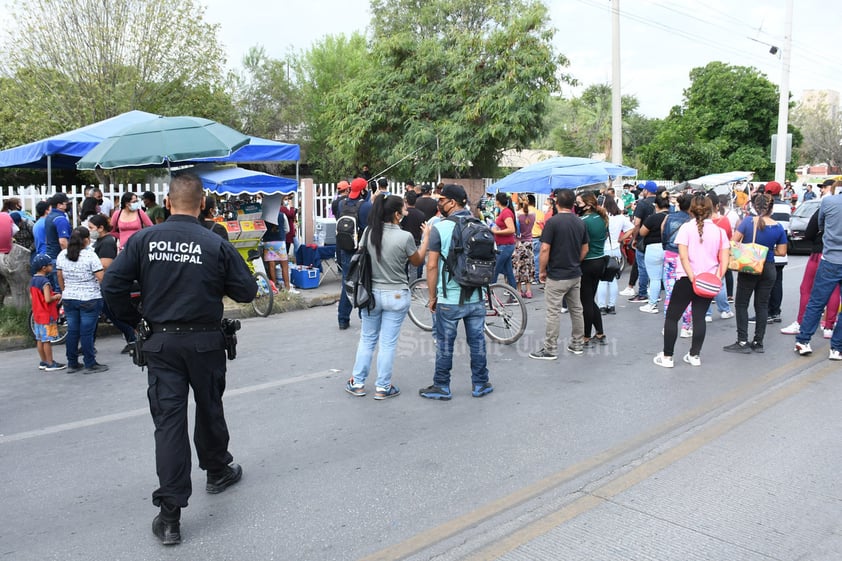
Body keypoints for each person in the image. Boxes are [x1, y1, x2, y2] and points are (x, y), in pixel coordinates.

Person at [101, 171, 257, 546]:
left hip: (161, 344)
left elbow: (111, 285)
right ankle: (217, 470)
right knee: (209, 407)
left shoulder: (143, 239)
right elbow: (247, 290)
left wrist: (134, 322)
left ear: (167, 203)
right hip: (205, 341)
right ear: (203, 203)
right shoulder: (213, 240)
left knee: (169, 424)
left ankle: (170, 516)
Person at [345, 195, 430, 399]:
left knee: (367, 339)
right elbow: (417, 261)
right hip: (397, 295)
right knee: (388, 343)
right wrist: (426, 238)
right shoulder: (405, 237)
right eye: (404, 209)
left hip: (371, 294)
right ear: (396, 214)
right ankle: (383, 387)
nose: (407, 212)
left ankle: (357, 382)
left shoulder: (369, 232)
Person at [420, 184, 493, 399]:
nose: (438, 203)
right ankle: (480, 384)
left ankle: (442, 386)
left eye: (442, 200)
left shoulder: (439, 229)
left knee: (445, 344)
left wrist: (432, 297)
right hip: (477, 296)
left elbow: (431, 266)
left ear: (452, 202)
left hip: (449, 299)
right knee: (477, 342)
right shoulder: (480, 224)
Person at [654, 193, 729, 368]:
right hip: (708, 281)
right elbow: (724, 260)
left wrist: (693, 277)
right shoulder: (719, 232)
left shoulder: (686, 229)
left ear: (691, 210)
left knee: (672, 317)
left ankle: (667, 357)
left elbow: (683, 257)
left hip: (687, 278)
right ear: (711, 209)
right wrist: (716, 278)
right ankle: (694, 355)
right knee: (699, 317)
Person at [723, 193, 787, 354]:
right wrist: (766, 250)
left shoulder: (747, 222)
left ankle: (742, 341)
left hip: (750, 267)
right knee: (762, 305)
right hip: (769, 267)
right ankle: (758, 342)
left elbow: (734, 242)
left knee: (742, 304)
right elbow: (782, 251)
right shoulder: (778, 227)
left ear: (755, 206)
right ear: (771, 208)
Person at [529, 188, 588, 360]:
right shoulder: (580, 222)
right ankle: (577, 344)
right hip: (574, 273)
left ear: (557, 203)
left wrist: (541, 270)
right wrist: (576, 261)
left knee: (553, 312)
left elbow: (545, 248)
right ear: (573, 204)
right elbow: (585, 248)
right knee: (576, 309)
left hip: (557, 275)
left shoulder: (553, 223)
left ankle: (550, 349)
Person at [781, 180, 840, 338]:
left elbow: (810, 231)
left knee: (807, 289)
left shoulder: (826, 206)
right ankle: (829, 325)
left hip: (821, 253)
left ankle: (801, 324)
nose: (821, 191)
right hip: (836, 256)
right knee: (834, 291)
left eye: (824, 188)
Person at [794, 184, 842, 359]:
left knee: (816, 302)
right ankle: (837, 348)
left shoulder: (829, 202)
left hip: (830, 258)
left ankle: (803, 340)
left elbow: (820, 224)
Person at [56, 226, 107, 373]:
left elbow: (59, 276)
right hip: (89, 298)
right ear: (86, 240)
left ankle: (72, 363)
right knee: (86, 332)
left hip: (69, 298)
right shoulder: (90, 256)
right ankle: (90, 363)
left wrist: (65, 290)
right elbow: (100, 277)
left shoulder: (62, 255)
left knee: (73, 331)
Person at [87, 214, 137, 354]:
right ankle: (88, 343)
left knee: (112, 314)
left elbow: (106, 264)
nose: (90, 231)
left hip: (105, 282)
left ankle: (132, 337)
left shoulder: (107, 242)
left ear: (101, 228)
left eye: (91, 228)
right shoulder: (100, 241)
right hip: (99, 283)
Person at [335, 177, 373, 329]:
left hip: (345, 248)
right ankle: (364, 318)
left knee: (347, 283)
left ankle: (343, 319)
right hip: (361, 250)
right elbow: (369, 227)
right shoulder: (366, 206)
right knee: (363, 283)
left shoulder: (341, 203)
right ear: (364, 190)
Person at [660, 193, 694, 338]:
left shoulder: (668, 217)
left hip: (670, 256)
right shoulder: (693, 221)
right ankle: (686, 326)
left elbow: (663, 233)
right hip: (686, 258)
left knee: (669, 292)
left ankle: (668, 325)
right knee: (687, 294)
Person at [576, 192, 607, 346]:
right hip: (600, 261)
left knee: (586, 301)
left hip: (587, 263)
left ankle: (586, 335)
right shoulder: (601, 218)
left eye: (579, 202)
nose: (577, 205)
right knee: (590, 299)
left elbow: (583, 247)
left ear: (587, 205)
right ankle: (599, 332)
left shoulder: (583, 221)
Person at [597, 195, 633, 315]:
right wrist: (621, 238)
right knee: (612, 279)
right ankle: (611, 306)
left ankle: (601, 306)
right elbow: (631, 228)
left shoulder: (600, 217)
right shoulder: (620, 217)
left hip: (602, 250)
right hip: (615, 250)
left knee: (602, 280)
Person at [29, 253, 65, 371]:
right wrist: (56, 296)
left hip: (37, 315)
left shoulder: (33, 280)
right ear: (44, 268)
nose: (51, 267)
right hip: (47, 315)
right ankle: (50, 362)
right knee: (47, 340)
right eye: (50, 265)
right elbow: (48, 299)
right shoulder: (45, 282)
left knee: (39, 339)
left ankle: (43, 361)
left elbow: (32, 297)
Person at [637, 189, 670, 313]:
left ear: (656, 205)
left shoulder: (652, 218)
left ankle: (652, 304)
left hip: (653, 248)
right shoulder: (672, 217)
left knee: (655, 278)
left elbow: (642, 232)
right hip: (668, 249)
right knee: (667, 278)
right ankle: (670, 302)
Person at [762, 181, 790, 324]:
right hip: (781, 250)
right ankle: (776, 312)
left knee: (765, 284)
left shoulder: (765, 207)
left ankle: (765, 313)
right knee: (778, 282)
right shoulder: (786, 207)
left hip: (766, 252)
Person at [627, 181, 659, 301]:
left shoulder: (642, 204)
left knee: (642, 268)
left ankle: (642, 293)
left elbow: (637, 224)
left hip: (644, 240)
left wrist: (634, 238)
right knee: (656, 271)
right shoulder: (660, 203)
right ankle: (654, 293)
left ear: (646, 190)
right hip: (659, 240)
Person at [491, 192, 517, 288]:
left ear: (498, 201)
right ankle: (514, 294)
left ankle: (489, 294)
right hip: (504, 244)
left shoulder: (506, 212)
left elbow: (511, 229)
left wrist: (496, 232)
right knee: (508, 271)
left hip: (505, 245)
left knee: (495, 269)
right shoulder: (505, 212)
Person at [401, 190, 426, 280]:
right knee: (414, 270)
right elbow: (422, 230)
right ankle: (412, 287)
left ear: (406, 201)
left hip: (403, 243)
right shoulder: (421, 214)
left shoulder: (403, 215)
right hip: (416, 244)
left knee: (402, 268)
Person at [514, 198, 535, 298]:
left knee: (518, 267)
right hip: (529, 243)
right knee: (528, 266)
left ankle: (519, 290)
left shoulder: (517, 215)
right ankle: (528, 290)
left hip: (518, 244)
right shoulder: (533, 214)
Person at [527, 194, 544, 285]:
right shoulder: (540, 213)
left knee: (527, 260)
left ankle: (528, 278)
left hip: (526, 239)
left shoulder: (522, 212)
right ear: (534, 202)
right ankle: (537, 278)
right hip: (538, 238)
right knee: (537, 259)